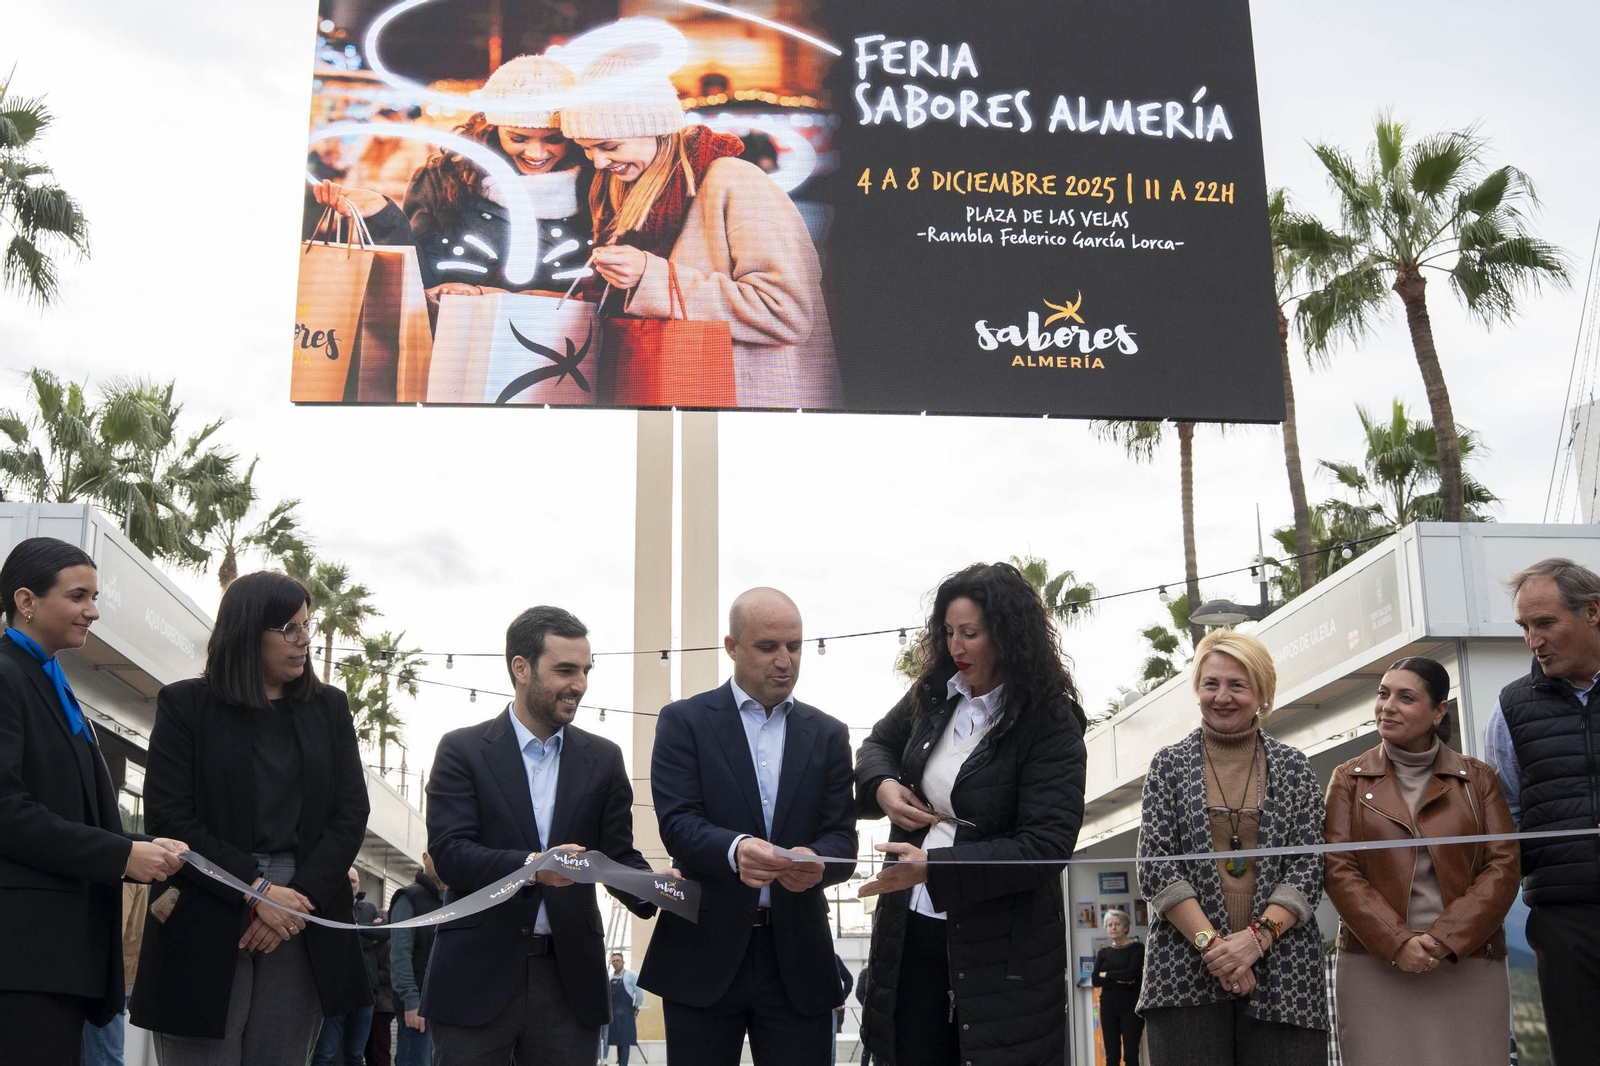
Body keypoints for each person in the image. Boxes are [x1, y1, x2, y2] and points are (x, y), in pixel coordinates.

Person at [131, 571, 372, 1066]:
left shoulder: (329, 708)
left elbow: (351, 813)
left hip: (303, 904)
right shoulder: (186, 705)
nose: (304, 639)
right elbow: (170, 816)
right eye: (289, 628)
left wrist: (294, 901)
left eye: (307, 625)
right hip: (207, 896)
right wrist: (256, 891)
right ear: (246, 632)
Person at [854, 562, 1088, 1066]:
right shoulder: (934, 694)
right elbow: (877, 744)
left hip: (1003, 953)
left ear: (1007, 635)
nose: (956, 647)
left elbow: (1046, 847)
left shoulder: (1050, 721)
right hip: (910, 930)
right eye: (948, 632)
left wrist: (933, 869)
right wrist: (884, 787)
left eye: (970, 634)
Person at [423, 606, 662, 1066]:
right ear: (521, 668)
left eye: (586, 671)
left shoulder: (604, 759)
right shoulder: (463, 750)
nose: (580, 685)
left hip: (569, 982)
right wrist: (535, 866)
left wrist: (656, 888)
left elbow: (616, 855)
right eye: (566, 670)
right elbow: (451, 854)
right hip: (475, 977)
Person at [640, 587, 857, 1066]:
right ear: (732, 647)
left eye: (794, 646)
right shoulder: (684, 722)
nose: (785, 660)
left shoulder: (828, 734)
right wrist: (734, 849)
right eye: (767, 647)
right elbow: (677, 822)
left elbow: (843, 839)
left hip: (798, 961)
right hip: (701, 955)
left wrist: (819, 864)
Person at [560, 49, 843, 409]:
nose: (599, 161)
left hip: (742, 406)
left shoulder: (735, 181)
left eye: (609, 146)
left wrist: (652, 276)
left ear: (654, 128)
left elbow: (785, 311)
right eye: (587, 149)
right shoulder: (622, 188)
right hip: (663, 393)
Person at [0, 538, 187, 1065]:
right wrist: (122, 856)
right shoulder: (8, 677)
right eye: (78, 596)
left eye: (96, 596)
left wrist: (142, 845)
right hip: (22, 959)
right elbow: (8, 813)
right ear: (25, 600)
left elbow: (67, 816)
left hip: (57, 957)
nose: (94, 611)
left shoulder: (49, 680)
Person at [1136, 630, 1327, 1066]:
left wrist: (1255, 942)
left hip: (1286, 973)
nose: (1222, 696)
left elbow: (1309, 867)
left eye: (1237, 685)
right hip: (1183, 971)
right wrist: (1215, 949)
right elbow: (1156, 865)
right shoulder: (1168, 765)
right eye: (1211, 684)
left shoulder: (1294, 766)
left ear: (1262, 693)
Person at [1323, 656, 1518, 1065]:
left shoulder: (1478, 778)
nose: (1387, 706)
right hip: (1373, 962)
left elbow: (1503, 866)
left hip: (1466, 959)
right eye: (1383, 693)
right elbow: (1338, 869)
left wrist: (1446, 938)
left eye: (1405, 697)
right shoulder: (1347, 778)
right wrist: (1397, 942)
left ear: (1438, 711)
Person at [314, 53, 595, 308]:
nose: (536, 153)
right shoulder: (446, 179)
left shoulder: (598, 187)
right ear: (494, 128)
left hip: (560, 352)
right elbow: (415, 282)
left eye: (554, 139)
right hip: (454, 348)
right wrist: (382, 216)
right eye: (517, 138)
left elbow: (602, 296)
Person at [1483, 558, 1600, 1066]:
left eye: (1545, 623)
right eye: (1525, 627)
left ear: (1593, 611)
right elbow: (1504, 816)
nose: (1533, 639)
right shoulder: (1509, 709)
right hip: (1562, 919)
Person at [313, 868, 381, 1066]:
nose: (351, 885)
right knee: (325, 1054)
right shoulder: (328, 906)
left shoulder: (368, 907)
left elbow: (385, 933)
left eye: (354, 881)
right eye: (347, 880)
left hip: (365, 992)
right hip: (334, 990)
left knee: (355, 1056)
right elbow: (331, 939)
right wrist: (369, 929)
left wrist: (353, 932)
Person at [82, 882, 151, 1066]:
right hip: (116, 977)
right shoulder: (128, 871)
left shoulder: (121, 874)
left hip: (107, 982)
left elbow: (111, 934)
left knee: (103, 1057)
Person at [389, 853, 446, 1066]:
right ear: (424, 857)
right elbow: (400, 954)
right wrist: (411, 1001)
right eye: (437, 853)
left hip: (449, 1009)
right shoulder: (408, 897)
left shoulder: (458, 898)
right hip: (418, 1009)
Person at [1092, 909, 1144, 1066]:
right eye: (1109, 925)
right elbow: (1095, 980)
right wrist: (1120, 977)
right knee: (1112, 1055)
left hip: (1131, 1006)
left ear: (1126, 927)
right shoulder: (1103, 953)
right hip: (1108, 1006)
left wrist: (1106, 975)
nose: (1113, 928)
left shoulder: (1137, 948)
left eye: (1117, 924)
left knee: (1131, 1054)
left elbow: (1132, 974)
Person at [598, 952, 643, 1066]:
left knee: (625, 1042)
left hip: (627, 1014)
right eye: (613, 961)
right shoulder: (610, 977)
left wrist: (636, 1007)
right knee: (618, 1041)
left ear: (623, 962)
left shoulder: (631, 975)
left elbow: (639, 993)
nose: (615, 963)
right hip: (613, 1015)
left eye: (617, 960)